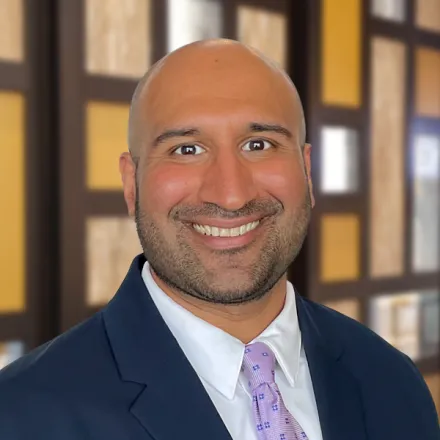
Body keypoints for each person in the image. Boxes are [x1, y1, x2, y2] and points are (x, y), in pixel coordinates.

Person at [0, 39, 438, 440]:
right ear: (131, 185)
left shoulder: (391, 381)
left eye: (259, 144)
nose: (231, 194)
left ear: (307, 172)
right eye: (186, 150)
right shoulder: (20, 416)